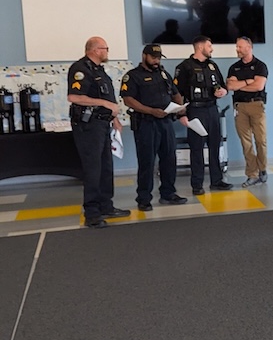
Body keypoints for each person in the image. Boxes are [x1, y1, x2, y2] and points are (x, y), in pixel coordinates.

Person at [67, 36, 131, 228]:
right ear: (95, 50)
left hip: (103, 123)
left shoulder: (99, 70)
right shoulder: (80, 69)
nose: (107, 52)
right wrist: (104, 104)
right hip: (88, 126)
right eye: (105, 48)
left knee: (105, 167)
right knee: (93, 169)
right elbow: (74, 97)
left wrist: (115, 119)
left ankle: (106, 206)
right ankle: (92, 213)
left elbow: (107, 97)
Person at [120, 44, 188, 212]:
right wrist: (151, 111)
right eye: (153, 57)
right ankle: (144, 198)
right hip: (146, 123)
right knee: (147, 162)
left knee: (169, 159)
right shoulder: (133, 76)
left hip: (165, 122)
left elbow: (175, 93)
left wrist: (180, 107)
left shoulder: (163, 74)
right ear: (144, 56)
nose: (156, 61)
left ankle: (168, 193)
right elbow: (128, 100)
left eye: (158, 58)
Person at [174, 35, 233, 195]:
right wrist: (181, 114)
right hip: (195, 110)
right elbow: (177, 93)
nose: (211, 49)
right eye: (209, 46)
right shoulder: (184, 67)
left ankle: (217, 180)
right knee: (197, 148)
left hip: (212, 109)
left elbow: (222, 85)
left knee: (215, 145)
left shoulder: (212, 66)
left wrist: (223, 91)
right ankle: (197, 184)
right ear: (200, 47)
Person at [227, 36, 269, 188]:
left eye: (240, 47)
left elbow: (259, 86)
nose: (237, 49)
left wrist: (240, 85)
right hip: (240, 107)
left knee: (260, 140)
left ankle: (262, 169)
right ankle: (252, 174)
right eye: (237, 46)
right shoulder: (234, 68)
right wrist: (248, 81)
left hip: (256, 105)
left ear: (249, 47)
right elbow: (230, 86)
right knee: (246, 142)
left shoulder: (260, 66)